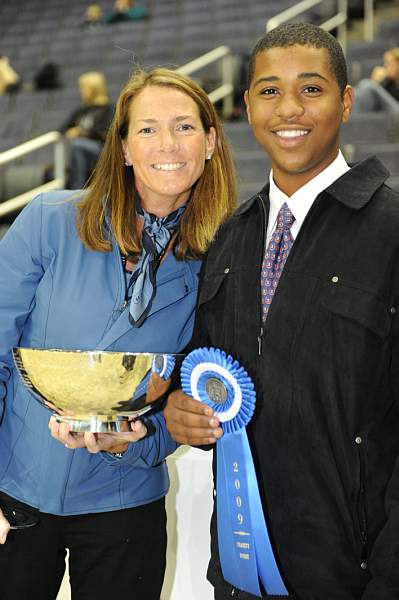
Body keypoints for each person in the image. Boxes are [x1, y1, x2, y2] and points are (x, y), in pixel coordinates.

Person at [164, 22, 399, 600]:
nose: (288, 108)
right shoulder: (229, 239)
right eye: (269, 91)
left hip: (357, 575)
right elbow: (207, 373)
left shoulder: (392, 231)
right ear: (246, 106)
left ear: (346, 100)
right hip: (242, 571)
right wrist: (183, 412)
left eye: (311, 89)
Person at [0, 67, 236, 600]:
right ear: (125, 148)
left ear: (211, 142)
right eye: (147, 129)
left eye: (184, 127)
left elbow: (195, 392)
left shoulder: (223, 258)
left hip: (125, 504)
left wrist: (137, 444)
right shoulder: (48, 221)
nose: (167, 144)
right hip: (16, 493)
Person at [60, 71, 114, 189]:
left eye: (84, 88)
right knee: (76, 146)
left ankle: (76, 189)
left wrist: (81, 132)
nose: (81, 91)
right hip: (81, 149)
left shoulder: (108, 110)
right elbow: (62, 129)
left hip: (102, 150)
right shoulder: (81, 111)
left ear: (94, 89)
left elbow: (104, 133)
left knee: (78, 145)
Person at [353, 47, 399, 116]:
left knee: (367, 85)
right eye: (385, 62)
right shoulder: (389, 82)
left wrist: (373, 84)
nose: (385, 66)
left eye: (389, 63)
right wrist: (376, 82)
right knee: (359, 90)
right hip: (390, 115)